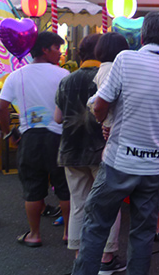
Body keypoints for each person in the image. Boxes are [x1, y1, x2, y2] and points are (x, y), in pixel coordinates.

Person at [72, 12, 159, 275]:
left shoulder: (125, 59)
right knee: (143, 232)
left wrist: (104, 123)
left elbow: (100, 104)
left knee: (96, 224)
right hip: (156, 165)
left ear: (142, 35)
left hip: (120, 161)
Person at [53, 34, 125, 273]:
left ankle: (79, 252)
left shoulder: (67, 80)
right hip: (101, 149)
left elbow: (57, 117)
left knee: (78, 203)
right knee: (107, 204)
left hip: (71, 149)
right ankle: (106, 257)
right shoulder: (108, 75)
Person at [0, 31, 70, 247]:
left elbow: (2, 107)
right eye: (57, 48)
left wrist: (9, 133)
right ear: (45, 49)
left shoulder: (16, 75)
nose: (60, 53)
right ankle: (68, 232)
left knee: (33, 188)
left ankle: (34, 234)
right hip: (59, 138)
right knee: (65, 187)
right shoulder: (64, 75)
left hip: (30, 138)